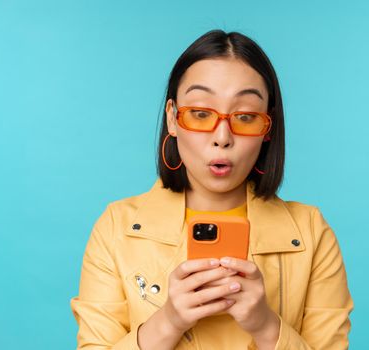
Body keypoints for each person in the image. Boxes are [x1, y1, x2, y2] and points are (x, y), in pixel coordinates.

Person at [71, 29, 354, 350]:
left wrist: (265, 326)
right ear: (173, 119)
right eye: (201, 113)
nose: (222, 136)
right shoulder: (116, 228)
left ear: (267, 129)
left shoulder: (310, 232)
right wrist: (169, 321)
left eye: (245, 116)